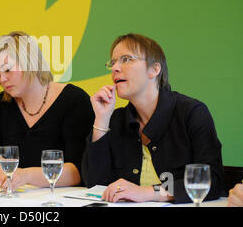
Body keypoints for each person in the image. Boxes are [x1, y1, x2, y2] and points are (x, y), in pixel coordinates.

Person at [81, 33, 224, 204]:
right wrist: (101, 120)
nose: (115, 68)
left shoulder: (191, 113)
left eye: (126, 59)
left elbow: (211, 182)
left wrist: (148, 192)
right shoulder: (116, 119)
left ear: (154, 69)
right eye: (113, 62)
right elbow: (95, 185)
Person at [0, 31, 94, 191]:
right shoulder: (1, 105)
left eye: (7, 70)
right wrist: (15, 177)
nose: (2, 80)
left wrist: (24, 176)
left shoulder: (74, 101)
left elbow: (78, 171)